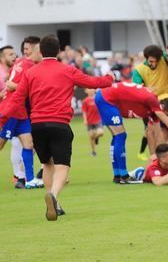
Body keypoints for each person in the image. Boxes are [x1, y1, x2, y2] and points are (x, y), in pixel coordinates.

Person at [0, 35, 115, 221]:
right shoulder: (67, 70)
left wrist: (2, 118)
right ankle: (53, 195)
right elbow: (92, 82)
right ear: (59, 50)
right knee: (62, 167)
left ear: (41, 52)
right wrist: (109, 78)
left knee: (47, 164)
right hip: (59, 124)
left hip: (36, 125)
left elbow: (16, 99)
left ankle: (55, 203)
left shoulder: (31, 73)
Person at [95, 81, 168, 184]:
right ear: (167, 111)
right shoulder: (153, 103)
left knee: (118, 136)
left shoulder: (153, 110)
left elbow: (157, 134)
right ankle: (124, 176)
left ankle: (118, 175)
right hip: (106, 99)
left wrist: (158, 156)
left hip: (105, 97)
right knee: (120, 135)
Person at [0, 41, 43, 189]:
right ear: (37, 53)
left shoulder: (19, 62)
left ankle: (29, 180)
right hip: (11, 110)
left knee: (29, 144)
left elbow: (9, 80)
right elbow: (29, 88)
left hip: (21, 112)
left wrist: (11, 84)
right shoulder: (30, 66)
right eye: (42, 55)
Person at [82, 88, 104, 156]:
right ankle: (93, 151)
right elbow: (84, 111)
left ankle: (96, 137)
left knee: (100, 133)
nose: (91, 90)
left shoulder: (98, 99)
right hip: (90, 121)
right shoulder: (85, 101)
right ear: (86, 91)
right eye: (89, 89)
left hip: (98, 120)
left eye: (92, 89)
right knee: (91, 137)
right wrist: (85, 120)